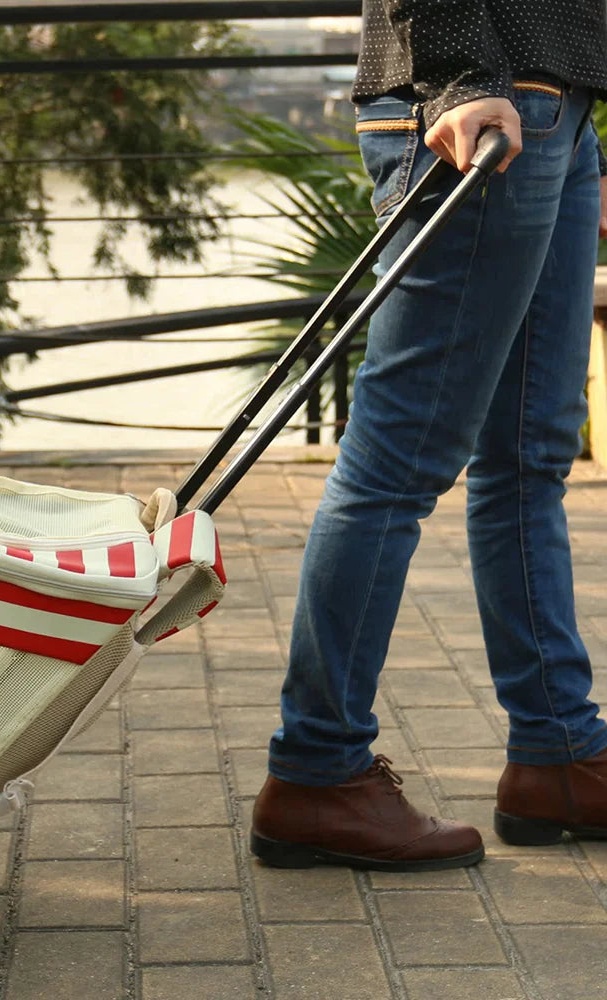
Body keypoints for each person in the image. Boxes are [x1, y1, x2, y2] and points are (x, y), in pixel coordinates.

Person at [250, 0, 607, 872]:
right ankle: (317, 770)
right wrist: (459, 76)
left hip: (554, 110)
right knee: (394, 467)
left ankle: (559, 753)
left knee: (529, 461)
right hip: (475, 105)